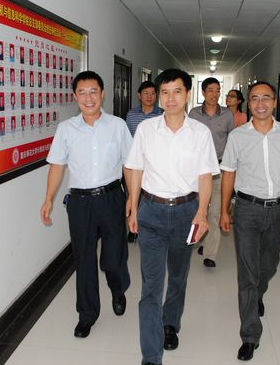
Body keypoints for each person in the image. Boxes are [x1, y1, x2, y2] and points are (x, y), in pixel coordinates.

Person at [125, 68, 218, 365]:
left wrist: (202, 213)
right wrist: (133, 205)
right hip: (151, 211)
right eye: (164, 92)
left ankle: (170, 323)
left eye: (177, 91)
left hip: (186, 213)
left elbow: (205, 176)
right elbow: (135, 168)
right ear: (158, 96)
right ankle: (151, 355)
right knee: (151, 286)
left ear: (188, 94)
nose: (170, 98)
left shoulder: (200, 133)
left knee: (178, 277)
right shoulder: (146, 130)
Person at [40, 70, 132, 339]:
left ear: (103, 94)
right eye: (82, 92)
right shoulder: (66, 129)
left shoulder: (117, 126)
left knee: (113, 259)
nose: (88, 98)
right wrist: (48, 198)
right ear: (75, 96)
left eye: (93, 92)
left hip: (112, 197)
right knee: (84, 259)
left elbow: (129, 165)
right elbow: (57, 165)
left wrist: (133, 200)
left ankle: (118, 288)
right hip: (80, 202)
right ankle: (87, 314)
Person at [219, 81, 280, 362]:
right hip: (246, 209)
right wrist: (224, 210)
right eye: (255, 98)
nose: (260, 104)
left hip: (278, 209)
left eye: (266, 98)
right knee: (247, 273)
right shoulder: (238, 136)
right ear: (249, 103)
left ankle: (258, 294)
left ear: (274, 102)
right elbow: (229, 174)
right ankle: (250, 335)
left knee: (268, 265)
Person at [188, 77, 233, 267]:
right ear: (203, 92)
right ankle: (201, 239)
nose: (214, 94)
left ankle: (210, 254)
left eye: (217, 90)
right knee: (198, 208)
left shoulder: (227, 115)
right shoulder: (193, 114)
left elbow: (232, 141)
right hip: (197, 170)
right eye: (210, 90)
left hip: (219, 169)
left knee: (214, 211)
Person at [124, 80, 163, 243]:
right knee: (133, 195)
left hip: (154, 164)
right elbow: (127, 139)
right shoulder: (131, 114)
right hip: (135, 163)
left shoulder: (162, 114)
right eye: (146, 93)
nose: (149, 96)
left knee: (151, 196)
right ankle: (133, 228)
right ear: (139, 96)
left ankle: (151, 227)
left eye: (153, 93)